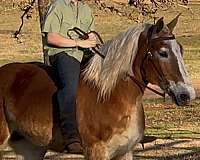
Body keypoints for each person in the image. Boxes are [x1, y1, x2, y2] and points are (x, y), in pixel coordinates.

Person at [42, 0, 97, 154]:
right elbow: (51, 38)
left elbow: (91, 34)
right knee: (70, 88)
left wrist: (91, 40)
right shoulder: (58, 6)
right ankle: (70, 136)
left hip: (83, 53)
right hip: (62, 53)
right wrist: (78, 43)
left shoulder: (86, 9)